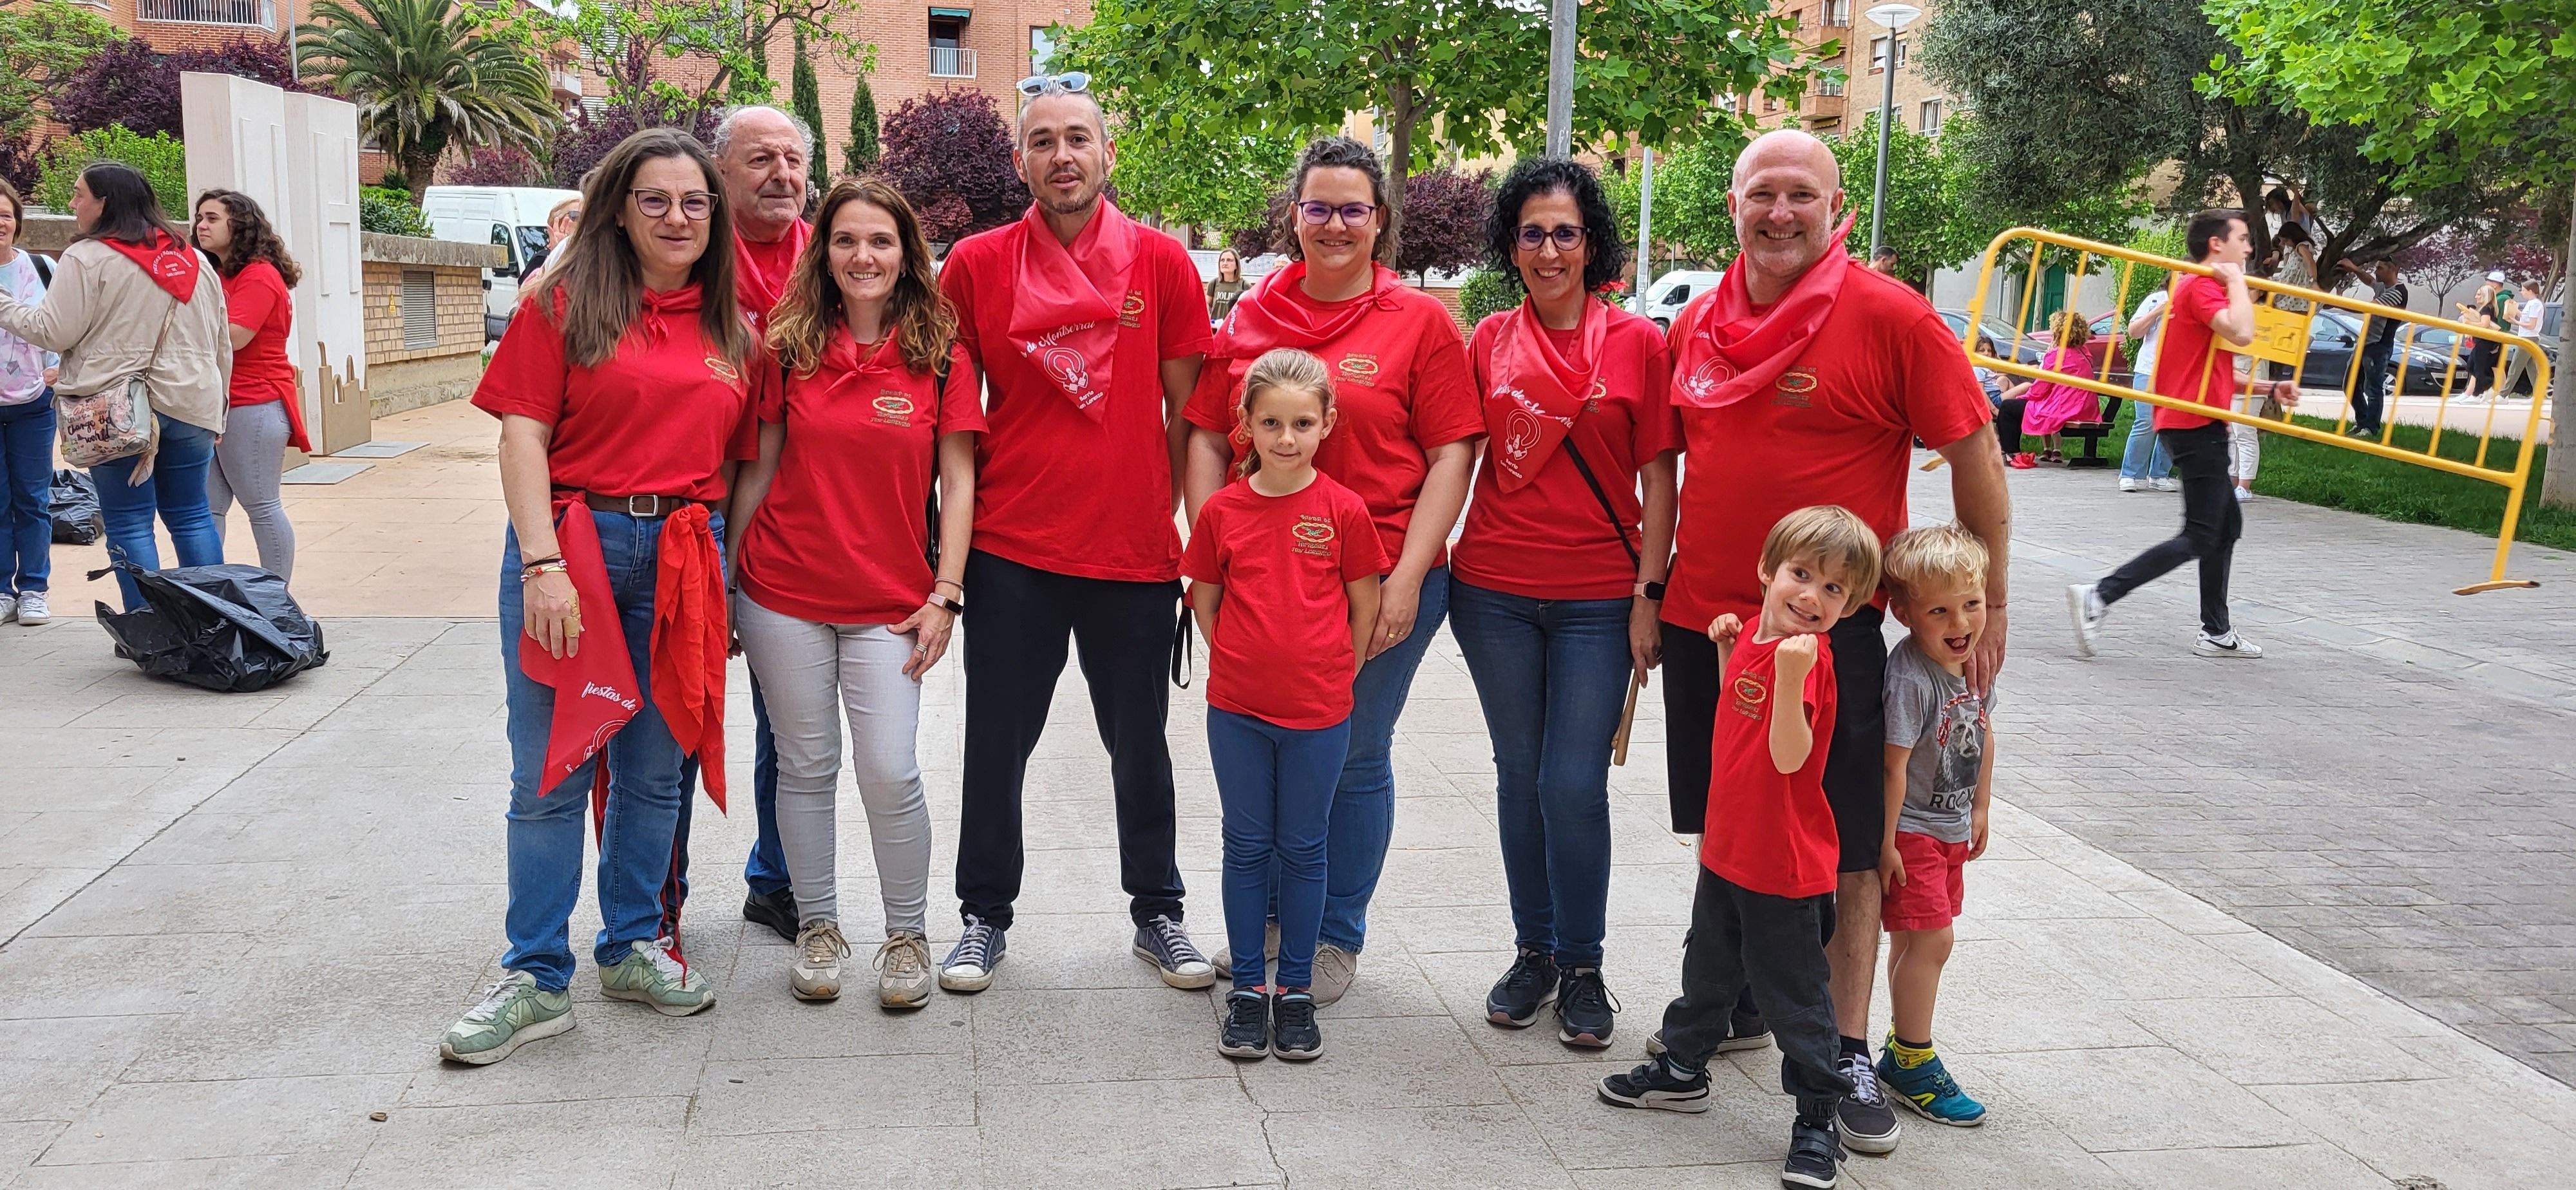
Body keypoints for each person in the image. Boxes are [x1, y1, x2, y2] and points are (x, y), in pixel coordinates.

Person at [1654, 129, 2009, 1158]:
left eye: (1800, 195)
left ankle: (1848, 1045)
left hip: (1837, 638)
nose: (1780, 212)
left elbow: (1976, 452)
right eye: (1761, 193)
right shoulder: (1701, 324)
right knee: (1727, 831)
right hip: (1712, 630)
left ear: (1836, 204)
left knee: (1850, 854)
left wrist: (1994, 607)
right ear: (1732, 206)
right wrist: (1652, 592)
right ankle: (1743, 1005)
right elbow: (1673, 471)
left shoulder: (1891, 316)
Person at [438, 129, 758, 1065]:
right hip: (573, 547)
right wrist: (541, 564)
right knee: (549, 774)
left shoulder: (734, 329)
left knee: (657, 771)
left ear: (715, 214)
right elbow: (523, 438)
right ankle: (536, 974)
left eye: (695, 202)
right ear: (620, 208)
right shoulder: (569, 304)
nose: (676, 217)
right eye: (655, 200)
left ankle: (631, 948)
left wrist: (725, 581)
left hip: (684, 557)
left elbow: (742, 467)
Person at [1180, 135, 1482, 1004]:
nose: (1336, 225)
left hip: (1378, 578)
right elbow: (1206, 434)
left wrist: (1408, 578)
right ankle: (1271, 922)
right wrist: (1215, 551)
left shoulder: (1420, 322)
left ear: (1380, 221)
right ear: (1295, 215)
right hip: (1265, 586)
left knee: (1350, 753)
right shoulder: (1251, 315)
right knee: (1273, 756)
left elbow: (1453, 452)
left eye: (1354, 209)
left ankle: (1332, 933)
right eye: (1319, 208)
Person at [934, 73, 1217, 994]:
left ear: (1107, 152)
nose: (1063, 155)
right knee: (994, 744)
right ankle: (983, 917)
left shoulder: (1162, 264)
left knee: (1142, 745)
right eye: (1044, 140)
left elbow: (1192, 413)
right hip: (1012, 550)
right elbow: (953, 420)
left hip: (1133, 557)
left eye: (1078, 138)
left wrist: (1178, 525)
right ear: (1020, 160)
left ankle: (1159, 912)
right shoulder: (974, 266)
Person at [725, 176, 979, 1009]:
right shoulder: (787, 344)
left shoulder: (939, 349)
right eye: (845, 241)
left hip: (892, 602)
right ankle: (820, 930)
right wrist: (728, 581)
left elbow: (960, 479)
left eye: (880, 241)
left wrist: (946, 594)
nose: (863, 256)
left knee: (890, 769)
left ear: (906, 252)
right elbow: (757, 468)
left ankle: (906, 935)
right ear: (822, 252)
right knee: (804, 764)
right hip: (782, 591)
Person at [1449, 156, 1676, 1047]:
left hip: (1596, 601)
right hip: (1493, 594)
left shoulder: (1638, 343)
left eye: (1566, 233)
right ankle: (1534, 951)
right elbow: (1454, 464)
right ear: (1513, 245)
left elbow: (1661, 479)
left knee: (1571, 784)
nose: (1548, 250)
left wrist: (1649, 596)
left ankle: (1584, 965)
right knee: (1518, 777)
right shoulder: (1486, 340)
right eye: (1532, 233)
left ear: (1592, 244)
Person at [1598, 505, 1882, 1190]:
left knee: (1795, 1000)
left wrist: (1786, 677)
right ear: (1766, 571)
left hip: (1783, 869)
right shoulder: (1765, 638)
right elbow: (1739, 709)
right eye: (1801, 575)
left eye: (1834, 590)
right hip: (1729, 851)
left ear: (1851, 607)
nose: (1812, 597)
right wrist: (1733, 648)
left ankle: (1817, 1117)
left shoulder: (1808, 661)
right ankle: (1682, 1068)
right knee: (1710, 969)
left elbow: (1790, 755)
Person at [1188, 348, 1385, 1061]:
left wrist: (1333, 671)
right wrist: (1244, 658)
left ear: (1327, 423)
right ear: (1245, 423)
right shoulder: (1222, 512)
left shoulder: (1344, 510)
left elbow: (1365, 608)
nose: (1285, 438)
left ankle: (1294, 990)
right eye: (1270, 422)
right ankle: (1246, 988)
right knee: (1245, 846)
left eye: (1302, 423)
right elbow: (1205, 601)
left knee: (1304, 848)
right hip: (1237, 712)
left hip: (1319, 715)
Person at [682, 104, 817, 947]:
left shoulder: (830, 261)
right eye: (761, 157)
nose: (782, 173)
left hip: (798, 519)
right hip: (691, 515)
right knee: (672, 716)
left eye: (794, 158)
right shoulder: (686, 265)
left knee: (789, 719)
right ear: (719, 173)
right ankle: (651, 897)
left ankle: (777, 877)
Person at [0, 162, 230, 613]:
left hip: (115, 409)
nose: (72, 204)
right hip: (192, 404)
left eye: (79, 194)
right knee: (191, 515)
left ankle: (148, 627)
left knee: (129, 522)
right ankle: (215, 622)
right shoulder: (193, 258)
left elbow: (53, 331)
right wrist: (218, 408)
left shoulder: (88, 258)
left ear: (104, 202)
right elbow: (220, 340)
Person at [2070, 209, 2270, 662]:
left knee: (2226, 527)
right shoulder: (2201, 287)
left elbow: (2205, 373)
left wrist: (2267, 388)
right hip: (2195, 426)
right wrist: (2239, 284)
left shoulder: (2197, 289)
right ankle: (2099, 596)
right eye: (2242, 238)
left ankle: (2216, 631)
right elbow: (2241, 334)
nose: (2249, 247)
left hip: (2197, 420)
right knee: (2201, 534)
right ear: (2216, 245)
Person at [1873, 524, 1996, 1128]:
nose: (1961, 623)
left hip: (1950, 827)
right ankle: (1914, 1059)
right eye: (1940, 610)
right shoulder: (1910, 678)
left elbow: (1985, 733)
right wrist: (1888, 839)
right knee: (1934, 940)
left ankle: (1900, 1049)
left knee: (1915, 941)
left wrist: (1981, 806)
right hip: (1915, 829)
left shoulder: (1972, 664)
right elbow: (1892, 766)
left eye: (1971, 604)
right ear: (1904, 612)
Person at [193, 189, 309, 582]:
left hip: (253, 403)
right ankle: (207, 600)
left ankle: (277, 602)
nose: (200, 226)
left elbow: (236, 336)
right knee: (207, 509)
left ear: (238, 225)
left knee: (261, 505)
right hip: (215, 405)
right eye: (199, 218)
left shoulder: (259, 274)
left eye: (211, 218)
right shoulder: (215, 274)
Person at [0, 180, 56, 626]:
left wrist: (61, 369)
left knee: (33, 498)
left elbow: (67, 324)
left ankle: (34, 588)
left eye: (5, 214)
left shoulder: (42, 267)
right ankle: (3, 589)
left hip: (35, 403)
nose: (1, 223)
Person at [1999, 309, 2098, 466]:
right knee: (2016, 407)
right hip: (2086, 408)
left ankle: (2012, 453)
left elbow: (2040, 389)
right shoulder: (2084, 353)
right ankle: (2013, 453)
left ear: (2058, 333)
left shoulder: (2057, 355)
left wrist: (2022, 397)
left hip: (2065, 408)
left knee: (2008, 407)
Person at [2333, 260, 2406, 437]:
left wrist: (2332, 301)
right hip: (2365, 343)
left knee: (2373, 389)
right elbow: (2370, 281)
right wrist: (2354, 268)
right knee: (2349, 385)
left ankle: (2370, 428)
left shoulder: (2397, 293)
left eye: (2380, 269)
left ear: (2394, 269)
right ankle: (2363, 421)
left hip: (2378, 347)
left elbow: (2367, 308)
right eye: (2376, 268)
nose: (2376, 272)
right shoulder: (2384, 287)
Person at [2118, 287, 2177, 490]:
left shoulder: (2193, 299)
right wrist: (2157, 312)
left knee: (2171, 425)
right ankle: (2130, 474)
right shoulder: (2156, 299)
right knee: (2145, 421)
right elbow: (2134, 332)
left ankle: (2159, 474)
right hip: (2149, 370)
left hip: (2177, 374)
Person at [2456, 275, 2505, 399]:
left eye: (2478, 295)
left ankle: (2478, 393)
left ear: (2485, 296)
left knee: (2478, 368)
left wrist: (2469, 323)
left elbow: (2485, 324)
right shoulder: (2487, 308)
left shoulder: (2487, 309)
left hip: (2485, 342)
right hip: (2483, 342)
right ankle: (2474, 392)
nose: (2476, 297)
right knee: (2473, 365)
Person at [2499, 280, 2547, 399]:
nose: (2522, 292)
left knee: (2515, 367)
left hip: (2528, 338)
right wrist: (2514, 310)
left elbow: (2531, 324)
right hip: (2529, 338)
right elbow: (2525, 317)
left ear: (2530, 291)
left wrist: (2515, 322)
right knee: (2531, 369)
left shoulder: (2535, 304)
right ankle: (2538, 395)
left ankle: (2503, 394)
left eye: (2523, 290)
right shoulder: (2532, 303)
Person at [519, 194, 580, 281]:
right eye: (576, 216)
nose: (583, 221)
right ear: (557, 222)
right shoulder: (541, 259)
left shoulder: (587, 258)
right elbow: (527, 292)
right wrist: (558, 255)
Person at [1207, 248, 1249, 325]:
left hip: (1234, 331)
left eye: (1229, 260)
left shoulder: (1245, 285)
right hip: (1216, 330)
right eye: (1222, 260)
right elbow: (1206, 306)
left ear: (1237, 265)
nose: (1225, 263)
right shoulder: (1213, 284)